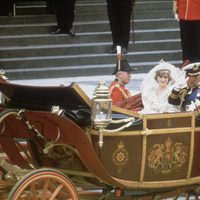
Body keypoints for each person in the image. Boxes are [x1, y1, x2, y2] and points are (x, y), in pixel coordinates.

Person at [173, 0, 200, 66]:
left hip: (197, 13)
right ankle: (186, 61)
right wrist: (175, 11)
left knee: (197, 39)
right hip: (183, 14)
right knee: (185, 40)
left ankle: (197, 61)